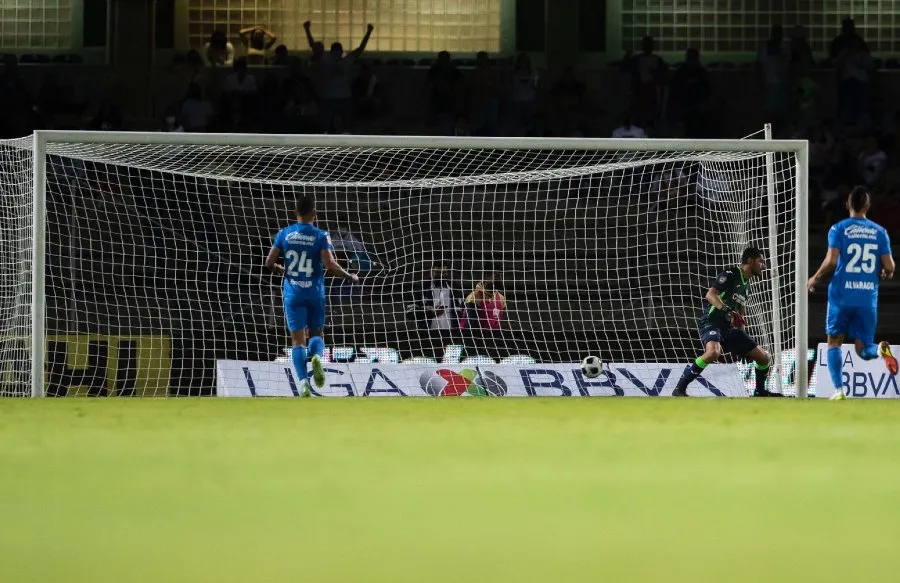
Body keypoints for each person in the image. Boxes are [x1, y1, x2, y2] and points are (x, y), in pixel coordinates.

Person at [807, 186, 897, 400]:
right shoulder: (879, 232)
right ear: (868, 206)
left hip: (841, 295)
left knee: (834, 341)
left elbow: (831, 261)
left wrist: (815, 277)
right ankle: (880, 350)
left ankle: (839, 390)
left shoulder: (839, 229)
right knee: (863, 349)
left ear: (847, 205)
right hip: (867, 297)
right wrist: (886, 273)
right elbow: (890, 266)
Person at [265, 196, 359, 395]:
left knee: (297, 341)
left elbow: (269, 262)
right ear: (314, 213)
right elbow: (330, 265)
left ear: (295, 213)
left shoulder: (284, 233)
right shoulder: (320, 235)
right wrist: (349, 276)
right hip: (315, 292)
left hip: (293, 292)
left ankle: (303, 383)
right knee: (317, 334)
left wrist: (280, 268)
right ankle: (316, 356)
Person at [673, 248, 780, 397]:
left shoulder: (747, 286)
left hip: (728, 328)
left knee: (764, 358)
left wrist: (743, 342)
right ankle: (679, 389)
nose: (763, 265)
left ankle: (760, 392)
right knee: (713, 352)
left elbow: (740, 315)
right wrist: (726, 310)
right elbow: (710, 295)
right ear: (750, 261)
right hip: (712, 321)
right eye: (760, 261)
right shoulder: (731, 274)